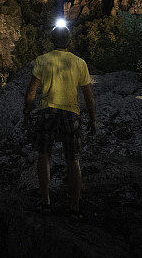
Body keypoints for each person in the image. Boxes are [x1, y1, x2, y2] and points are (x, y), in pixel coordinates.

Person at [23, 23, 96, 219]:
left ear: (52, 41)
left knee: (44, 155)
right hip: (71, 115)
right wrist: (93, 118)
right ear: (69, 41)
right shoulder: (80, 63)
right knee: (73, 160)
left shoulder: (42, 60)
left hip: (48, 113)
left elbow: (31, 91)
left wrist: (27, 110)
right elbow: (88, 96)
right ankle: (74, 207)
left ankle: (46, 202)